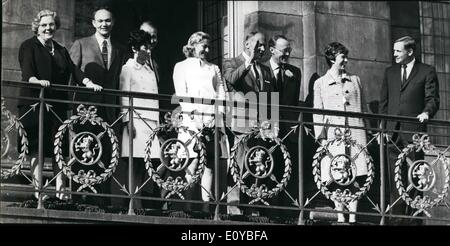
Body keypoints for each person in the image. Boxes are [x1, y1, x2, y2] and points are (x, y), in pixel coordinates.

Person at [17, 9, 96, 201]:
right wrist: (36, 80)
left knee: (58, 149)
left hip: (57, 106)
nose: (48, 28)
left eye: (51, 24)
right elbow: (28, 72)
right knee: (38, 149)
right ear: (37, 27)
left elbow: (74, 70)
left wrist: (88, 83)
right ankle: (39, 192)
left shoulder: (60, 49)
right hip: (35, 104)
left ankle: (61, 192)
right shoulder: (29, 46)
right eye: (44, 25)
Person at [69, 6, 128, 206]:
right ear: (94, 23)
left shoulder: (120, 50)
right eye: (100, 21)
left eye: (108, 21)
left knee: (106, 152)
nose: (104, 24)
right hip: (84, 110)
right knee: (82, 150)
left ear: (113, 23)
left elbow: (120, 81)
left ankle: (101, 199)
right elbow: (72, 75)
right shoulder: (81, 44)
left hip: (109, 110)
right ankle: (78, 197)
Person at [379, 36, 440, 225]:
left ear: (410, 51)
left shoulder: (427, 71)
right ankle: (396, 218)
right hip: (392, 133)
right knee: (394, 176)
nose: (394, 54)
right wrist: (383, 127)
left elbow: (433, 99)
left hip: (414, 133)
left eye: (398, 51)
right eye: (394, 50)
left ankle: (414, 219)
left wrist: (426, 113)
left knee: (416, 175)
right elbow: (384, 102)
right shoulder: (390, 72)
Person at [313, 42, 369, 223]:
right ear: (331, 58)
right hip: (333, 136)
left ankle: (352, 217)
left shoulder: (355, 80)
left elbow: (364, 108)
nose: (346, 60)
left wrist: (367, 133)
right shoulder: (320, 83)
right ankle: (340, 215)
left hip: (355, 133)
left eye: (346, 56)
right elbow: (318, 112)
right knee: (336, 173)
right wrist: (321, 137)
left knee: (356, 174)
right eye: (342, 57)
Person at [172, 31, 228, 213]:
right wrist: (193, 117)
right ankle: (187, 205)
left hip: (211, 120)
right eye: (203, 45)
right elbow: (182, 93)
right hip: (191, 120)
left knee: (209, 164)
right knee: (192, 161)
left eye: (208, 46)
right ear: (193, 45)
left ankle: (206, 206)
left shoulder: (214, 68)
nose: (207, 49)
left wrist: (217, 114)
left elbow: (221, 92)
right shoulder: (181, 66)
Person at [222, 31, 276, 215]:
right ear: (247, 44)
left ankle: (254, 204)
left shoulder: (266, 70)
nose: (262, 49)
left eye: (263, 45)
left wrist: (272, 122)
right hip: (240, 123)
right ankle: (233, 205)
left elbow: (270, 98)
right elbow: (231, 79)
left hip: (261, 125)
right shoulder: (231, 62)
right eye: (258, 44)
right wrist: (249, 60)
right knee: (238, 164)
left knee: (258, 163)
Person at [117, 30, 161, 209]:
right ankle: (132, 204)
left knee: (149, 163)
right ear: (135, 48)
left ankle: (140, 201)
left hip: (151, 121)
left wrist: (157, 123)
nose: (148, 50)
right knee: (134, 163)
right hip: (136, 120)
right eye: (144, 47)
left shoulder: (150, 70)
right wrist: (128, 121)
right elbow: (124, 95)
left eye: (149, 47)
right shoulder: (127, 69)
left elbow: (155, 97)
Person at [265, 35, 302, 217]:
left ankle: (283, 211)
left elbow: (293, 103)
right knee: (265, 166)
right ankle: (265, 210)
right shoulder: (262, 69)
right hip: (267, 126)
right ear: (272, 50)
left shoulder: (295, 72)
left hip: (288, 129)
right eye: (283, 50)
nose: (287, 54)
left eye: (289, 50)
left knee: (285, 169)